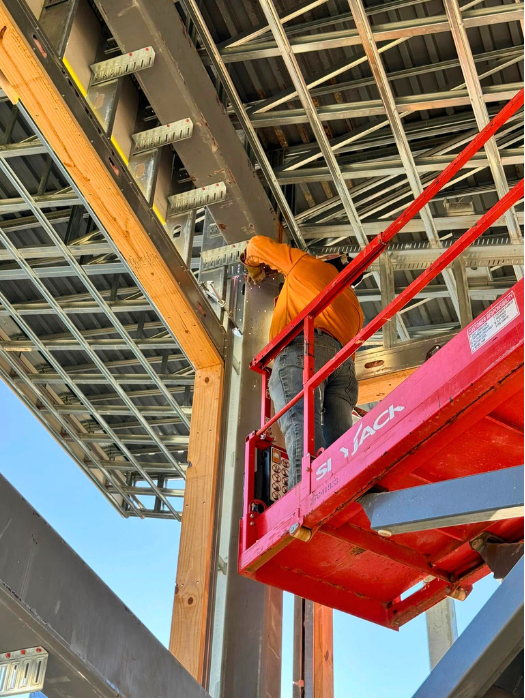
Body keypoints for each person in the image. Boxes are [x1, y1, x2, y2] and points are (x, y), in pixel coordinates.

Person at [242, 235, 364, 489]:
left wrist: (253, 267)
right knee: (339, 441)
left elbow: (255, 245)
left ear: (326, 260)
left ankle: (304, 495)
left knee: (301, 423)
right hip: (343, 367)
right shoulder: (355, 306)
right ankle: (343, 490)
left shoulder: (306, 265)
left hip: (304, 350)